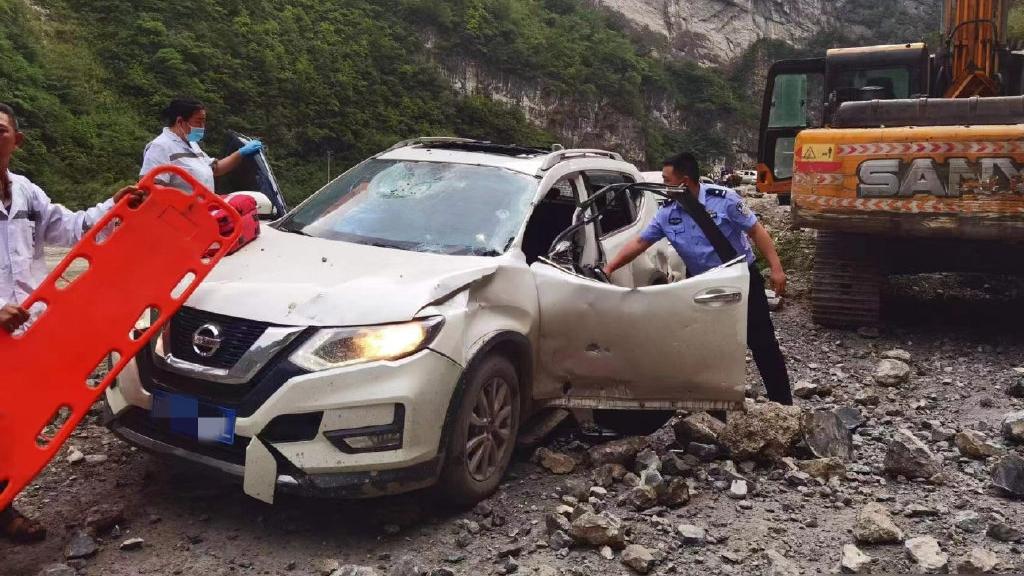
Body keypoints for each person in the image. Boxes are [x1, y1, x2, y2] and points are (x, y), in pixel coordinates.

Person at [0, 103, 142, 543]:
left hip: (29, 331)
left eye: (0, 129)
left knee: (15, 426)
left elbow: (72, 228)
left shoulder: (25, 193)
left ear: (16, 141)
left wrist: (113, 210)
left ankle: (4, 509)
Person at [604, 152, 793, 405]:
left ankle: (783, 406)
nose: (662, 184)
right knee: (710, 348)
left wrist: (776, 268)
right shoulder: (667, 213)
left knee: (762, 344)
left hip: (741, 279)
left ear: (683, 182)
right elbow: (640, 242)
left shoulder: (724, 200)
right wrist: (610, 268)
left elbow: (756, 230)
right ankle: (717, 412)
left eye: (665, 179)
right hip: (702, 285)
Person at [140, 98, 263, 192]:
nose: (202, 127)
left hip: (201, 214)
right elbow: (150, 189)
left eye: (204, 122)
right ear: (180, 121)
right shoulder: (160, 146)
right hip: (178, 218)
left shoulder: (191, 144)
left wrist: (241, 153)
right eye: (198, 122)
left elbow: (215, 168)